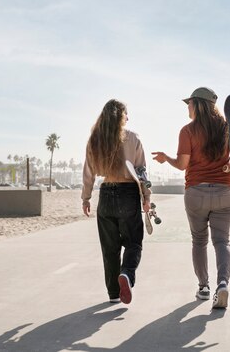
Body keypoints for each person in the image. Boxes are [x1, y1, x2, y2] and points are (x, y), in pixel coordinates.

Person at [152, 87, 230, 309]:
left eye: (189, 103)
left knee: (199, 241)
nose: (187, 107)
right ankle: (223, 284)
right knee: (222, 241)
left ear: (198, 105)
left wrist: (165, 158)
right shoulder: (228, 128)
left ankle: (204, 287)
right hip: (225, 193)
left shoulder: (188, 131)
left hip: (196, 193)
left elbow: (182, 165)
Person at [82, 99, 151, 305]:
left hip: (105, 195)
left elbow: (88, 173)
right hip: (128, 193)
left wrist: (86, 198)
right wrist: (146, 197)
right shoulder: (132, 138)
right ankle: (127, 274)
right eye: (126, 114)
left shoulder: (94, 139)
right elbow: (141, 171)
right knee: (133, 242)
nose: (128, 118)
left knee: (110, 248)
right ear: (121, 116)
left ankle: (113, 293)